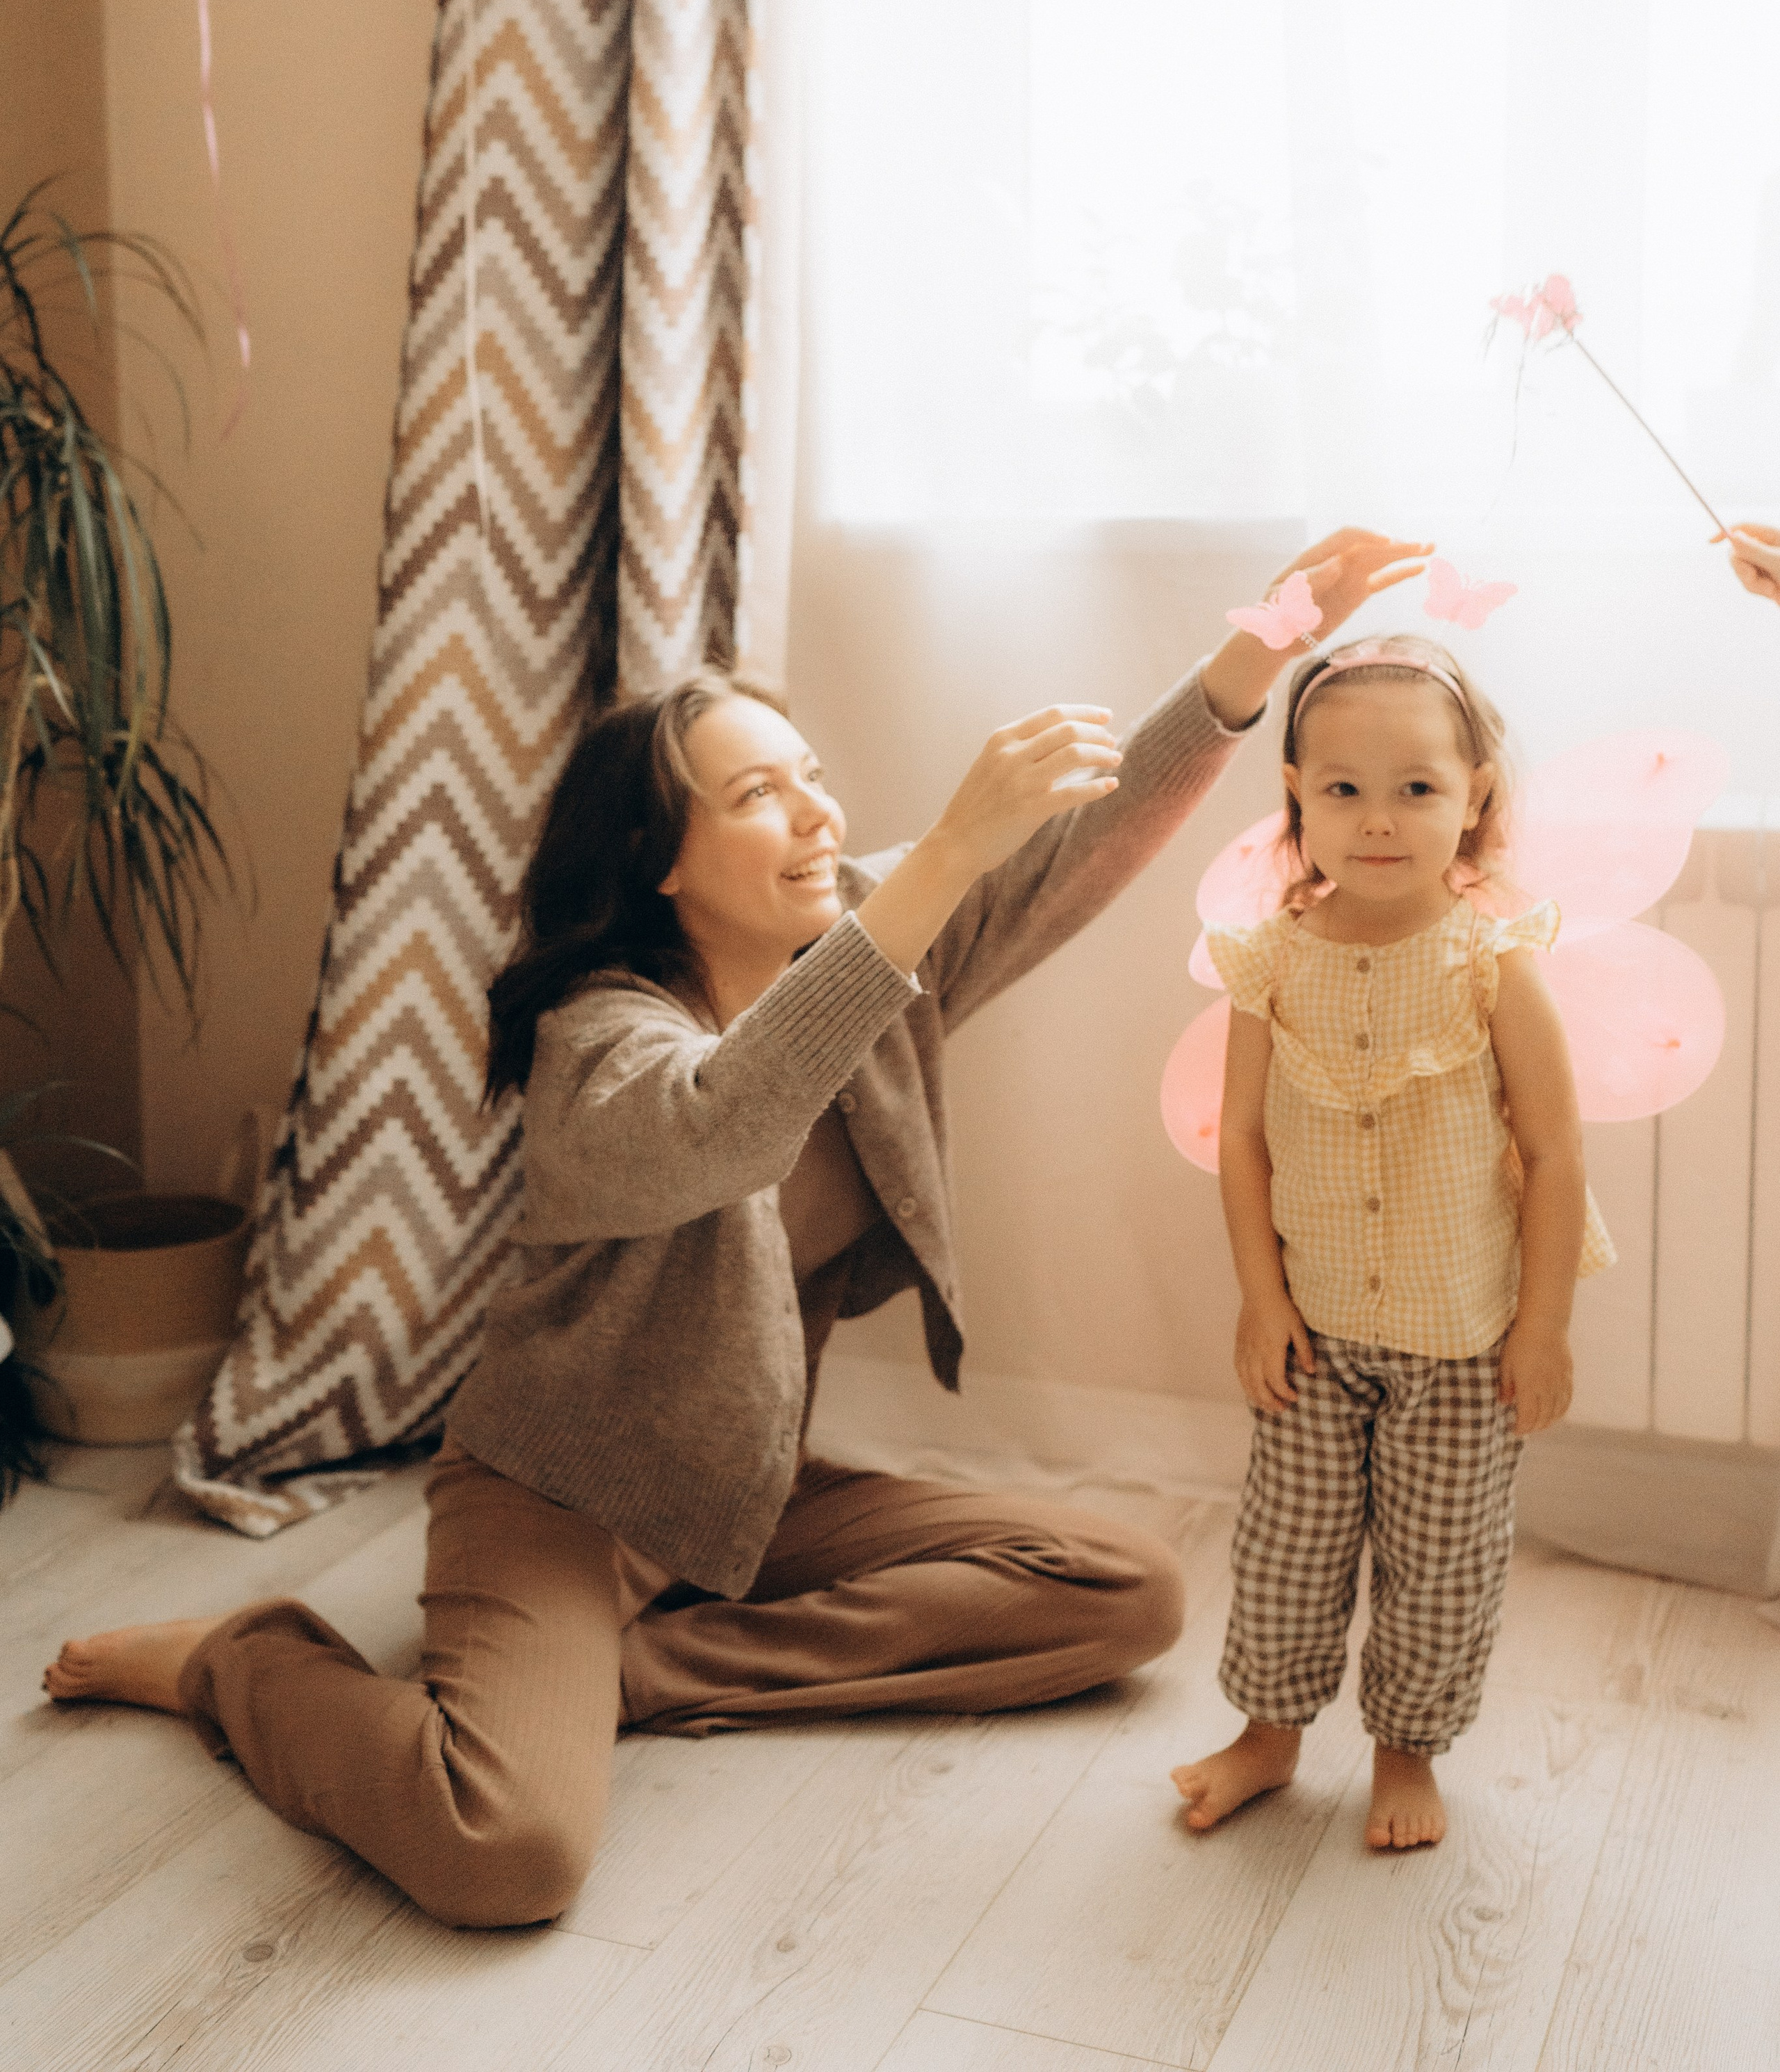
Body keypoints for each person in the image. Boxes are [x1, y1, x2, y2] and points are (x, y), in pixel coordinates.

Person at [46, 529, 1425, 1929]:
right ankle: (244, 1660)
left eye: (813, 777)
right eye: (760, 795)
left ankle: (624, 1684)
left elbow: (1078, 846)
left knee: (1121, 1594)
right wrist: (944, 850)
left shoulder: (880, 946)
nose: (819, 815)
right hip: (558, 1503)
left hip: (737, 1488)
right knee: (505, 1851)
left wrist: (1258, 649)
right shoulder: (598, 1041)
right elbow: (723, 1123)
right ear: (657, 860)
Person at [1171, 634, 1614, 1852]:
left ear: (1474, 800)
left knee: (1440, 1564)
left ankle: (1406, 1749)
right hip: (1313, 1330)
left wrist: (1544, 1329)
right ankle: (1269, 1737)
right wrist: (1260, 1303)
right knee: (1287, 1548)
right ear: (1298, 799)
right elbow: (1243, 1145)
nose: (1378, 820)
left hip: (1462, 1343)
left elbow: (1558, 1152)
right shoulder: (1270, 964)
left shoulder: (1493, 965)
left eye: (1416, 788)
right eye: (1344, 789)